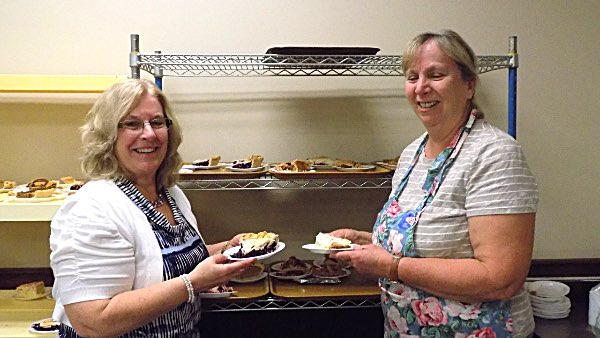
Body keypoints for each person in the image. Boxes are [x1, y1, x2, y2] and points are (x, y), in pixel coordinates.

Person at [330, 30, 538, 338]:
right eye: (412, 77)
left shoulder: (495, 154)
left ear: (469, 85)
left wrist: (390, 266)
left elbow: (499, 278)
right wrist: (366, 243)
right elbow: (420, 242)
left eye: (436, 75)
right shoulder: (412, 154)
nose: (421, 88)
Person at [49, 79, 255, 337]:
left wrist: (227, 250)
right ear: (108, 136)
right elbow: (93, 321)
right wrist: (194, 283)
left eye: (157, 122)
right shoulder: (90, 210)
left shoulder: (170, 194)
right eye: (132, 124)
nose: (149, 134)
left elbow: (163, 259)